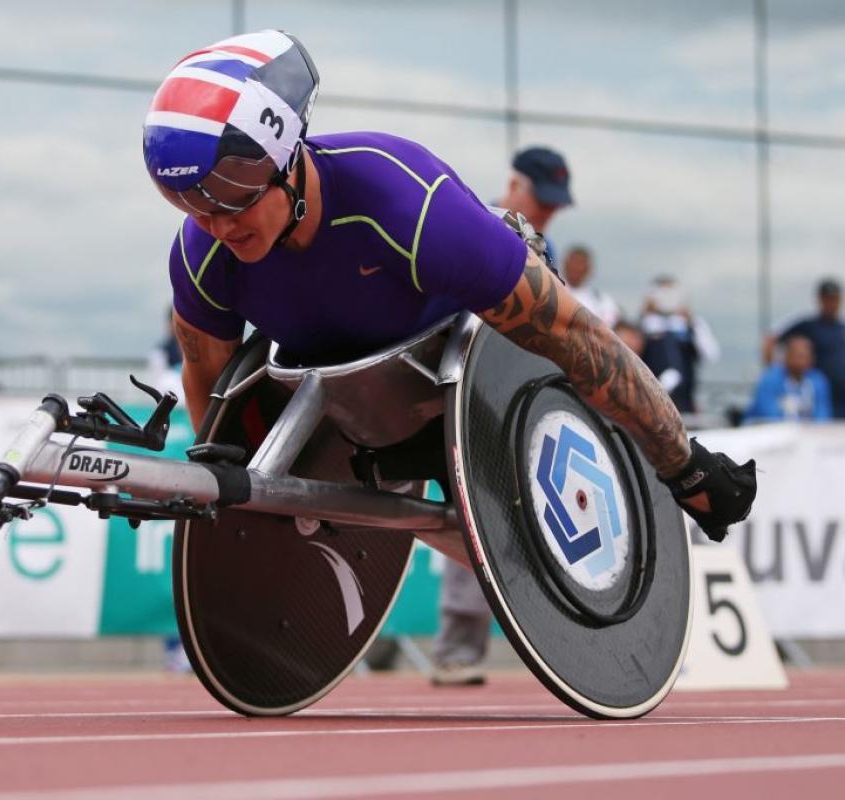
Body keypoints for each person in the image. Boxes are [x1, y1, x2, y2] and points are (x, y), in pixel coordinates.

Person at [145, 28, 755, 681]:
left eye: (232, 193)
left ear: (288, 156)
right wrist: (241, 493)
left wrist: (683, 463)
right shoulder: (201, 253)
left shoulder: (410, 208)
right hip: (345, 402)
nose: (216, 223)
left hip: (469, 360)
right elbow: (209, 382)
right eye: (188, 200)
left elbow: (577, 340)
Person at [430, 145, 575, 686]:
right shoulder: (470, 219)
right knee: (469, 510)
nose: (548, 211)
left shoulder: (546, 243)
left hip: (515, 394)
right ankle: (455, 650)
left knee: (532, 516)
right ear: (515, 185)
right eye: (542, 199)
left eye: (556, 204)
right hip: (454, 385)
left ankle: (570, 650)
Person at [765, 279, 845, 419]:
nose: (832, 303)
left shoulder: (841, 329)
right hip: (814, 395)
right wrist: (775, 371)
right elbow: (771, 340)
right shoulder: (808, 325)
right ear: (820, 299)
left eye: (835, 299)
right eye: (828, 299)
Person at [638, 276, 719, 414]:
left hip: (684, 401)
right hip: (650, 400)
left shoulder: (693, 325)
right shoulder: (644, 324)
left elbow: (712, 355)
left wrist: (691, 323)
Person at [744, 336, 831, 422]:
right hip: (765, 431)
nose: (802, 361)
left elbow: (822, 414)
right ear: (787, 357)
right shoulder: (770, 378)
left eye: (806, 356)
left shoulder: (817, 380)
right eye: (799, 356)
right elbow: (768, 414)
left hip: (805, 433)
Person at [562, 246, 619, 326]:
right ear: (565, 264)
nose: (575, 267)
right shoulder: (553, 291)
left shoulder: (601, 301)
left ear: (588, 269)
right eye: (573, 262)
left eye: (580, 263)